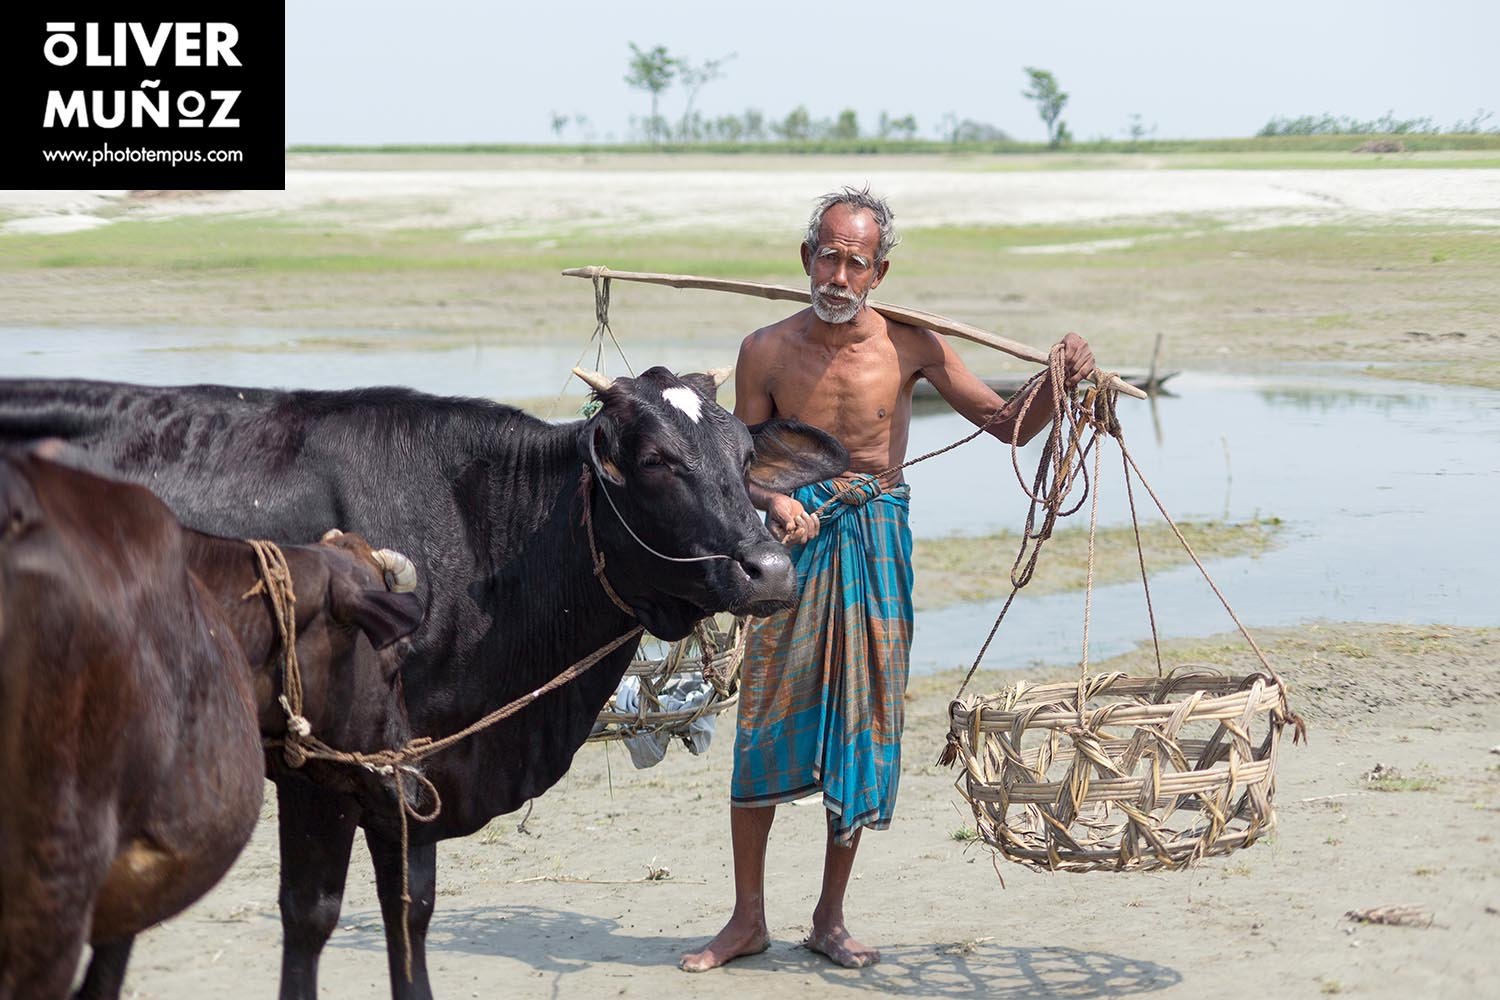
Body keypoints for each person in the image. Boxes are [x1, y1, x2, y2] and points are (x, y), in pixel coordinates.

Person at [680, 187, 1095, 972]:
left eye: (855, 262)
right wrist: (774, 502)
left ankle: (830, 919)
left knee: (864, 717)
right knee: (765, 714)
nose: (837, 275)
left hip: (875, 536)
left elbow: (1007, 425)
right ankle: (746, 920)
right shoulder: (764, 348)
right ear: (806, 258)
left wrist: (1061, 376)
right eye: (827, 256)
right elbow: (739, 468)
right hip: (791, 546)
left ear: (880, 272)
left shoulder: (913, 346)